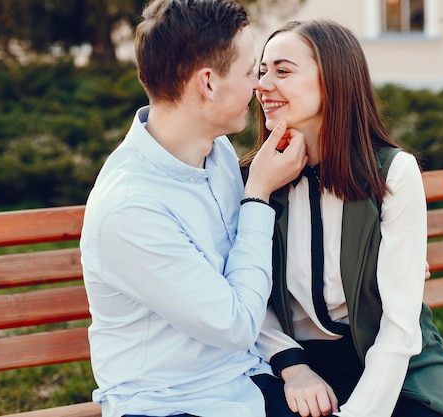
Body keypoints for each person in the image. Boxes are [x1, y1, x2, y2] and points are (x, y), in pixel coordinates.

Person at [79, 1, 309, 416]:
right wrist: (257, 193)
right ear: (208, 83)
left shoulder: (216, 150)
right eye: (248, 73)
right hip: (172, 403)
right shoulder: (131, 209)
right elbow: (236, 323)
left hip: (246, 381)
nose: (259, 87)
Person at [241, 20, 443, 417]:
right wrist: (292, 367)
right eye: (261, 71)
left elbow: (401, 324)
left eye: (282, 71)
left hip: (394, 360)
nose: (262, 85)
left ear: (333, 80)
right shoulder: (255, 178)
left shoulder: (392, 173)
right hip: (293, 362)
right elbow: (247, 293)